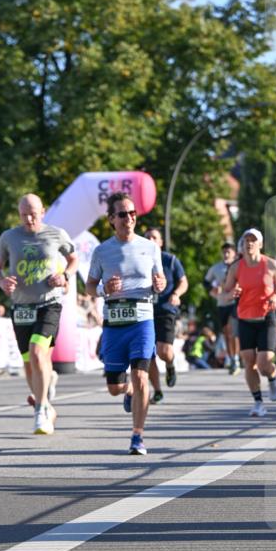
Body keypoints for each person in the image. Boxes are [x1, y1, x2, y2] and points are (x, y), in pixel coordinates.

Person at [86, 191, 166, 455]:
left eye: (132, 213)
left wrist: (160, 284)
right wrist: (104, 289)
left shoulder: (150, 247)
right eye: (123, 214)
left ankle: (137, 436)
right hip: (114, 321)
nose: (129, 218)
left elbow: (160, 280)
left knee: (142, 376)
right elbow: (89, 286)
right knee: (114, 388)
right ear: (112, 219)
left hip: (143, 319)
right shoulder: (102, 251)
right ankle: (127, 389)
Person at [0, 193, 77, 435]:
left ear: (43, 211)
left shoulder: (56, 234)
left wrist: (65, 276)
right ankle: (47, 402)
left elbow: (73, 259)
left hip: (48, 303)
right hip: (21, 307)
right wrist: (2, 282)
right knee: (30, 364)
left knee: (38, 354)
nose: (29, 219)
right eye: (24, 215)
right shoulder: (9, 237)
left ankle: (39, 411)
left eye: (33, 214)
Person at [225, 228, 276, 417]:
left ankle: (273, 377)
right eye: (246, 241)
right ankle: (258, 402)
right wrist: (232, 292)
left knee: (264, 362)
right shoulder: (236, 267)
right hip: (245, 317)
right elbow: (226, 289)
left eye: (253, 240)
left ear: (260, 244)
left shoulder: (270, 264)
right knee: (248, 360)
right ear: (242, 245)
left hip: (266, 316)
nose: (249, 243)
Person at [144, 227, 188, 403]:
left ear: (161, 242)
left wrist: (176, 294)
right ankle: (158, 391)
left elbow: (184, 282)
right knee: (148, 355)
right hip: (145, 312)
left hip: (166, 310)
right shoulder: (139, 261)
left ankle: (170, 365)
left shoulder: (170, 261)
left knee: (164, 351)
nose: (151, 240)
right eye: (148, 238)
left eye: (154, 237)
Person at [204, 242, 240, 374]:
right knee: (226, 332)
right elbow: (206, 282)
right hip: (222, 302)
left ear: (234, 253)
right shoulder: (216, 268)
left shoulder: (238, 266)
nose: (226, 254)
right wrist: (213, 290)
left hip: (236, 303)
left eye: (228, 252)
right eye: (224, 252)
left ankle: (235, 358)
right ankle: (230, 358)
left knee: (232, 330)